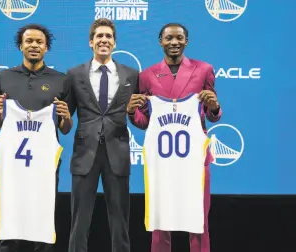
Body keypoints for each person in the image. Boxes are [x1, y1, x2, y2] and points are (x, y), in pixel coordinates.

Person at [127, 23, 222, 252]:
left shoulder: (204, 69)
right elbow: (145, 122)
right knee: (161, 221)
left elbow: (212, 115)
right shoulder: (146, 75)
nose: (174, 42)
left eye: (179, 38)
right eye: (169, 38)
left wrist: (215, 107)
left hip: (195, 160)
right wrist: (131, 112)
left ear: (186, 41)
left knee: (199, 219)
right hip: (162, 160)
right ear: (161, 41)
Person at [0, 23, 73, 252]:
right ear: (21, 45)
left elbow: (65, 128)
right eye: (29, 41)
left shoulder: (61, 81)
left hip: (44, 164)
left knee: (43, 215)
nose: (34, 45)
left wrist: (66, 117)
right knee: (10, 212)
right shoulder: (3, 78)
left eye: (39, 42)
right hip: (12, 164)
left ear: (46, 48)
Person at [64, 18, 139, 252]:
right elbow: (65, 123)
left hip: (118, 154)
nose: (104, 40)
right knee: (79, 221)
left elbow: (140, 119)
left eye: (108, 36)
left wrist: (134, 113)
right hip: (84, 155)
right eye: (99, 36)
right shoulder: (74, 74)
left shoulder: (132, 75)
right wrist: (62, 118)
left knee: (120, 223)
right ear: (91, 42)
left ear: (115, 43)